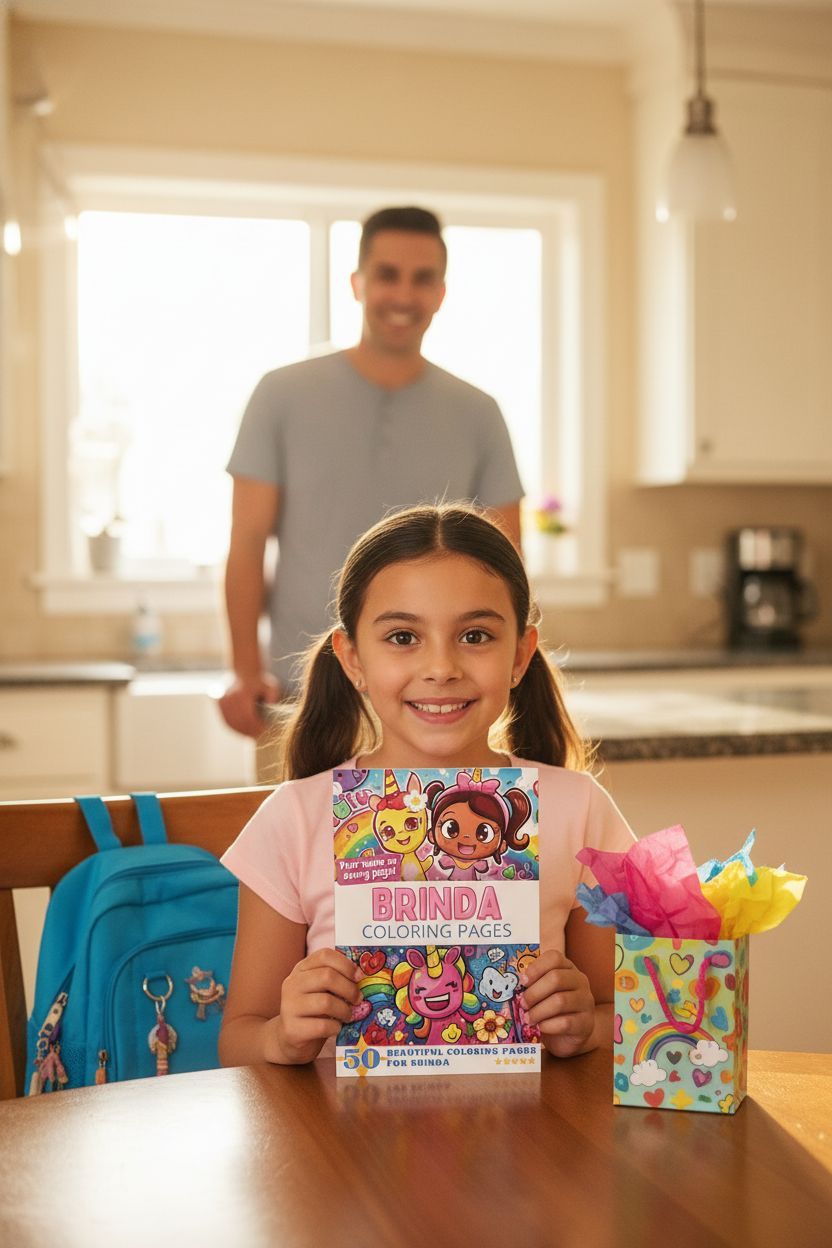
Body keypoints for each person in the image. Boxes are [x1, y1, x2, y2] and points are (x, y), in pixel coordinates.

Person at [218, 503, 636, 1069]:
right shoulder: (294, 817)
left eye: (475, 634)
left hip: (527, 1140)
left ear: (520, 654)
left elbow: (635, 1011)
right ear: (352, 658)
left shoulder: (579, 808)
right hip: (345, 1145)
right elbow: (238, 1040)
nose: (441, 667)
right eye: (402, 637)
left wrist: (586, 1024)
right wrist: (280, 1037)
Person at [220, 206, 524, 740]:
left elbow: (508, 569)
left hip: (439, 707)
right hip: (305, 703)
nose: (404, 295)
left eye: (422, 278)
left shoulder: (479, 413)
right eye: (387, 274)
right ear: (358, 284)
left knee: (448, 827)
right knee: (302, 828)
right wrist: (246, 673)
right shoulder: (281, 395)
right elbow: (247, 545)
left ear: (442, 292)